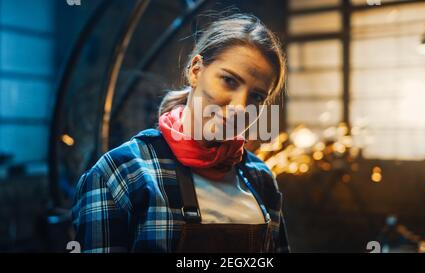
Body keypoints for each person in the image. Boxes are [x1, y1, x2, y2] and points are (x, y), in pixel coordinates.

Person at [72, 13, 290, 253]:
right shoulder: (122, 174)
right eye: (229, 81)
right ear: (196, 71)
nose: (240, 107)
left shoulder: (260, 178)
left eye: (257, 97)